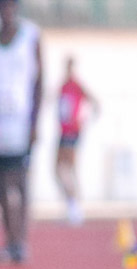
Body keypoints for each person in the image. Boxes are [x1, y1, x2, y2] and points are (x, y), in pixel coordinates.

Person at [0, 0, 43, 265]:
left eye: (11, 5)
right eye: (2, 6)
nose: (7, 11)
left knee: (20, 182)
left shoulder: (30, 38)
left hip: (19, 123)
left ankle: (21, 241)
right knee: (0, 185)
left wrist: (35, 122)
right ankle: (9, 239)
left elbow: (39, 82)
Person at [56, 56, 99, 226]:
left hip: (72, 132)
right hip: (64, 131)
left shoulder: (76, 84)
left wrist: (84, 121)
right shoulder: (63, 85)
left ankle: (74, 207)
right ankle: (71, 204)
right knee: (60, 169)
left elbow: (94, 102)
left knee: (67, 168)